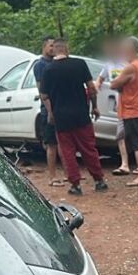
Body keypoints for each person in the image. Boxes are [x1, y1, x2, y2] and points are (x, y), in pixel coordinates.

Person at [40, 38, 108, 195]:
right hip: (81, 115)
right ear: (67, 49)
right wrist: (95, 107)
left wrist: (51, 112)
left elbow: (44, 95)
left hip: (61, 118)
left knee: (67, 152)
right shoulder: (79, 64)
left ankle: (75, 185)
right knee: (89, 149)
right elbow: (91, 88)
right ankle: (99, 180)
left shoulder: (48, 70)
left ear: (55, 50)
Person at [110, 36, 138, 187]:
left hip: (132, 111)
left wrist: (116, 82)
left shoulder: (131, 67)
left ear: (131, 49)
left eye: (124, 49)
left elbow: (114, 84)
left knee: (137, 145)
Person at [95, 38, 131, 176]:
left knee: (134, 136)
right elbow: (100, 78)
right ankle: (125, 164)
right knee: (120, 135)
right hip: (119, 105)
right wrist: (97, 85)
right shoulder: (108, 64)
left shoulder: (127, 64)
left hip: (130, 104)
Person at [33, 35, 63, 187]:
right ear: (44, 47)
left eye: (55, 46)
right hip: (49, 109)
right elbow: (41, 90)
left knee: (63, 142)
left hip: (61, 107)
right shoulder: (40, 65)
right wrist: (49, 109)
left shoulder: (58, 63)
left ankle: (66, 174)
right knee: (51, 144)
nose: (53, 49)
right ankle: (52, 177)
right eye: (51, 46)